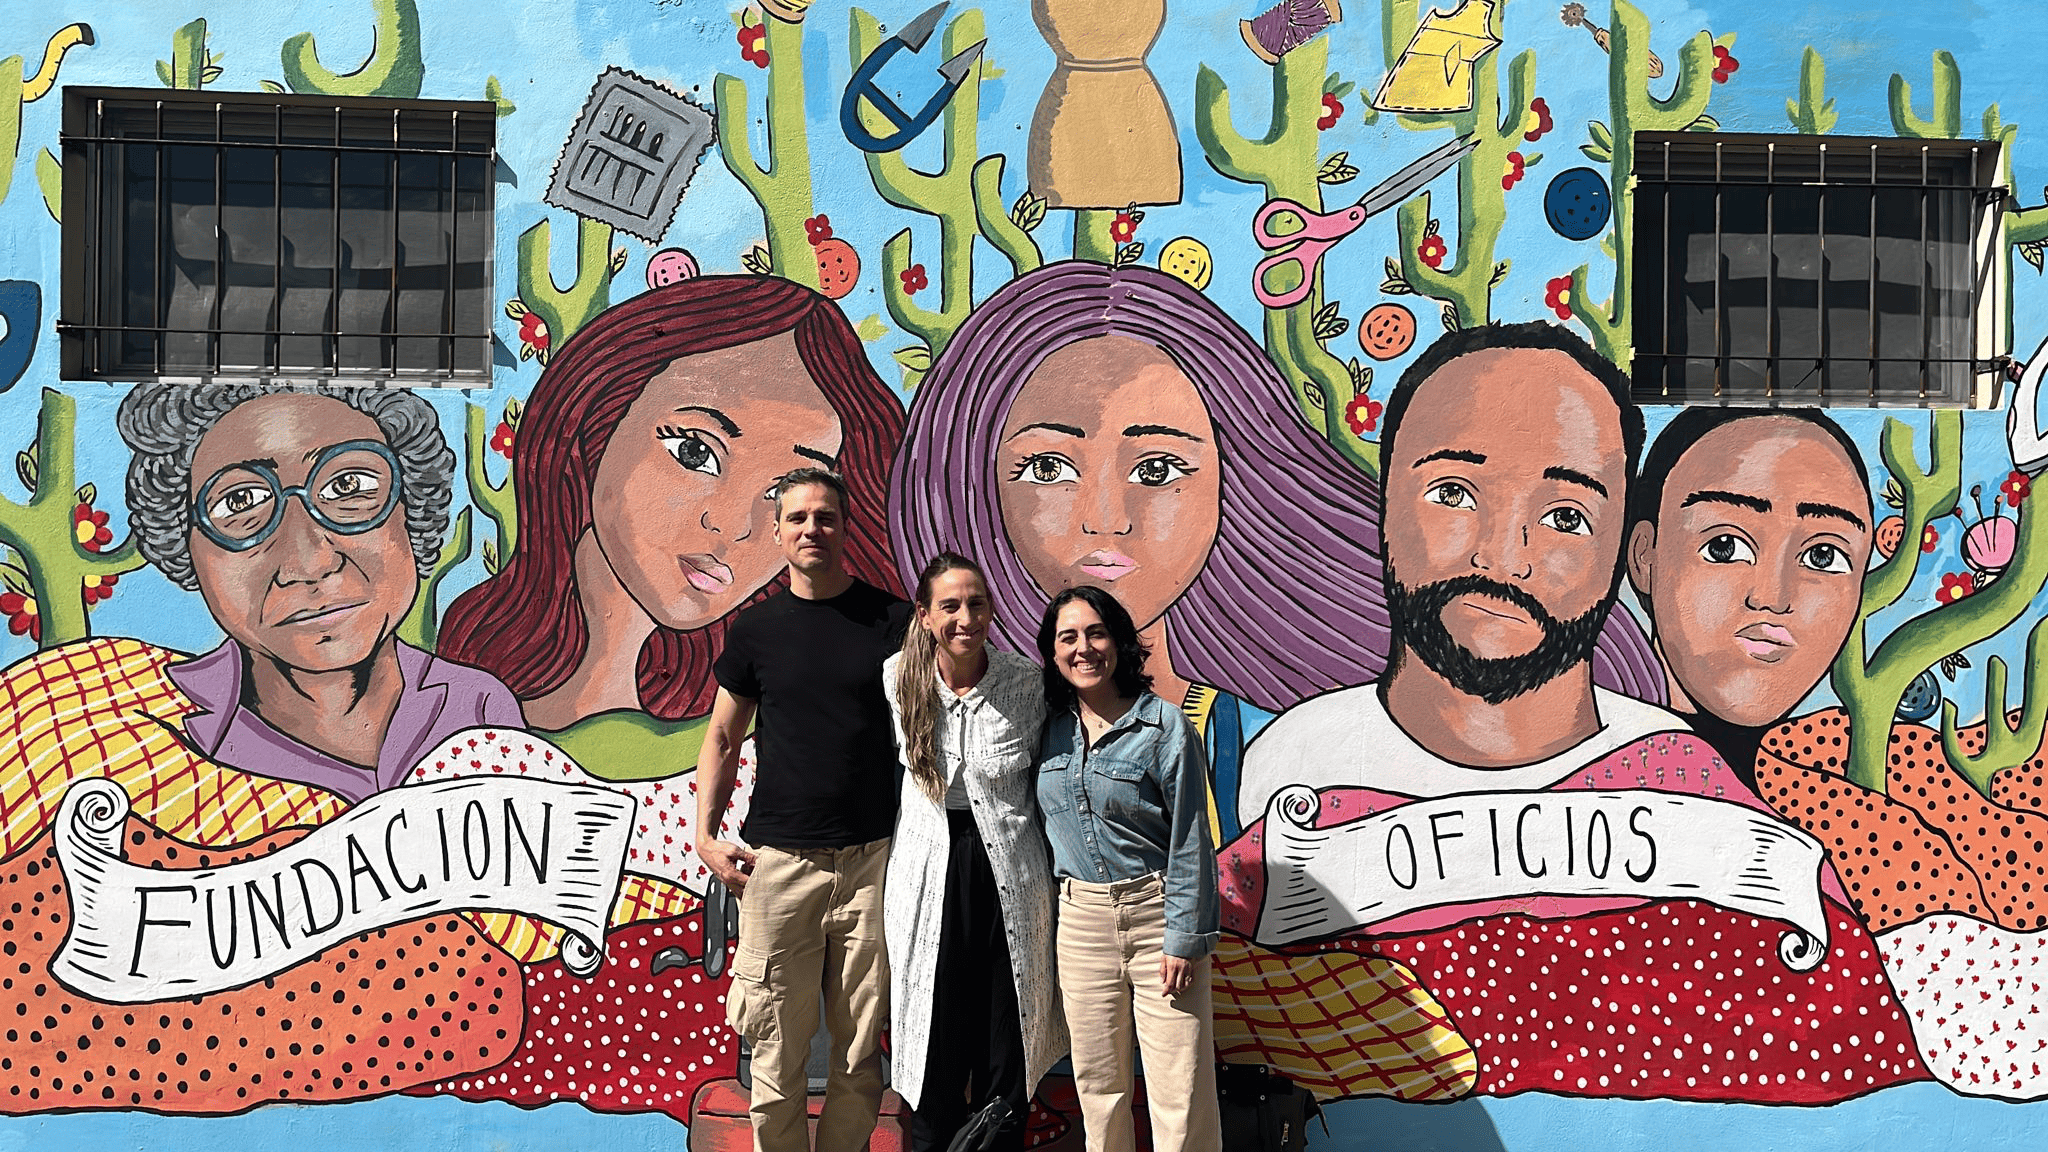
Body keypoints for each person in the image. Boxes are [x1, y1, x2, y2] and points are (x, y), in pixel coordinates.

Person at [1221, 322, 1924, 1104]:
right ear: (1383, 507)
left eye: (1564, 516)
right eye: (1454, 493)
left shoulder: (1689, 787)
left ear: (1626, 550)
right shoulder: (1282, 767)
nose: (1505, 555)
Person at [890, 261, 1663, 846]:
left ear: (1238, 482)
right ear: (978, 480)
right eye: (1049, 469)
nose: (1104, 519)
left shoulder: (1269, 748)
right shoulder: (978, 709)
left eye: (1157, 471)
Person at [439, 276, 905, 746]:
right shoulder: (450, 697)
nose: (736, 526)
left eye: (786, 491)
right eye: (696, 452)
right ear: (597, 426)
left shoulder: (762, 716)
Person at [695, 467, 910, 1152]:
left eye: (825, 517)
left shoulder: (894, 622)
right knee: (776, 1057)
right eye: (798, 518)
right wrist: (704, 837)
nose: (812, 528)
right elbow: (723, 737)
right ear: (779, 531)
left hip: (874, 861)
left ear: (844, 527)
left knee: (857, 1063)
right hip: (780, 864)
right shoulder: (756, 631)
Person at [882, 553, 1064, 1152]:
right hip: (927, 877)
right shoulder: (895, 679)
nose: (967, 617)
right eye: (951, 606)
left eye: (977, 603)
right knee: (932, 1044)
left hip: (1009, 876)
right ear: (926, 615)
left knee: (1004, 1045)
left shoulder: (1026, 684)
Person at [1035, 585, 1220, 1152]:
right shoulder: (1047, 728)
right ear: (1053, 651)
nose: (1084, 648)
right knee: (1098, 1087)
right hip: (1081, 923)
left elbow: (1192, 839)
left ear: (1118, 642)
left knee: (1179, 1087)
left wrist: (1184, 938)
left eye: (1096, 633)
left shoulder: (1164, 728)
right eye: (1068, 637)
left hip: (1156, 918)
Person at [1625, 407, 1874, 783]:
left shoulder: (1830, 774)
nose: (1772, 598)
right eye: (1724, 547)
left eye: (1822, 557)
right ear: (1645, 557)